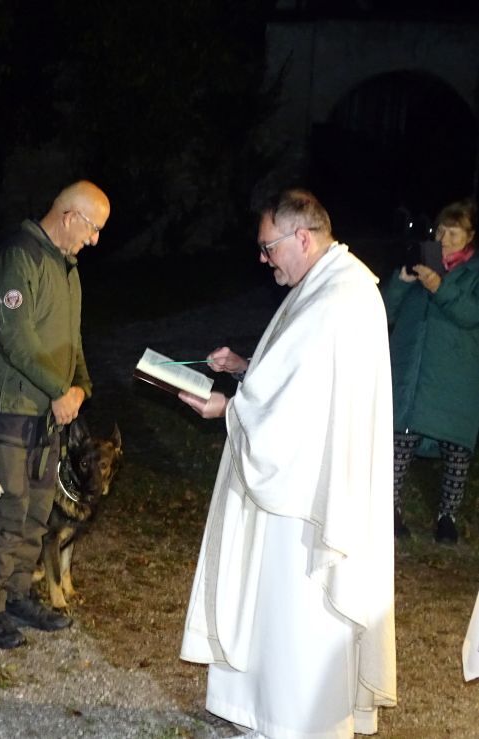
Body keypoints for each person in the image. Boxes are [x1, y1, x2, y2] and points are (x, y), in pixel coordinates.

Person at [178, 189, 396, 737]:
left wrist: (227, 407)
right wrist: (246, 367)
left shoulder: (337, 297)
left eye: (268, 246)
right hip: (308, 477)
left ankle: (298, 720)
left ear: (302, 237)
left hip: (309, 492)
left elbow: (297, 404)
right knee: (278, 604)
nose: (263, 258)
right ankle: (274, 713)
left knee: (297, 605)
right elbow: (303, 376)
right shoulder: (329, 283)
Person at [0, 180, 108, 649]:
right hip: (8, 409)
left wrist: (81, 387)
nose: (94, 240)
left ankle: (16, 595)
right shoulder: (17, 256)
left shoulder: (68, 270)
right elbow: (16, 338)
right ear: (69, 216)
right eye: (92, 228)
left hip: (48, 414)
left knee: (36, 513)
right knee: (6, 511)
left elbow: (73, 340)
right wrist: (58, 389)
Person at [385, 198, 479, 543]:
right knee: (401, 439)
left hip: (457, 376)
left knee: (456, 449)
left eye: (454, 232)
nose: (444, 238)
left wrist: (441, 288)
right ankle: (390, 509)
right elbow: (384, 311)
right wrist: (402, 280)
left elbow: (471, 314)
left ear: (470, 236)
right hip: (413, 371)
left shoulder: (473, 274)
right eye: (440, 230)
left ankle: (447, 517)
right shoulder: (421, 262)